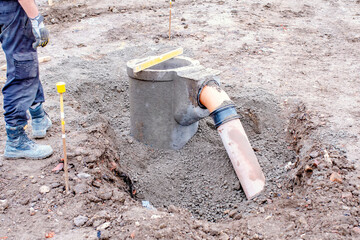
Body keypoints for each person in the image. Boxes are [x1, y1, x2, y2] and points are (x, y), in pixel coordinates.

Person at [0, 0, 53, 159]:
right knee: (22, 68)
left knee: (24, 63)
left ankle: (38, 116)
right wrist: (36, 18)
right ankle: (16, 140)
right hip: (11, 8)